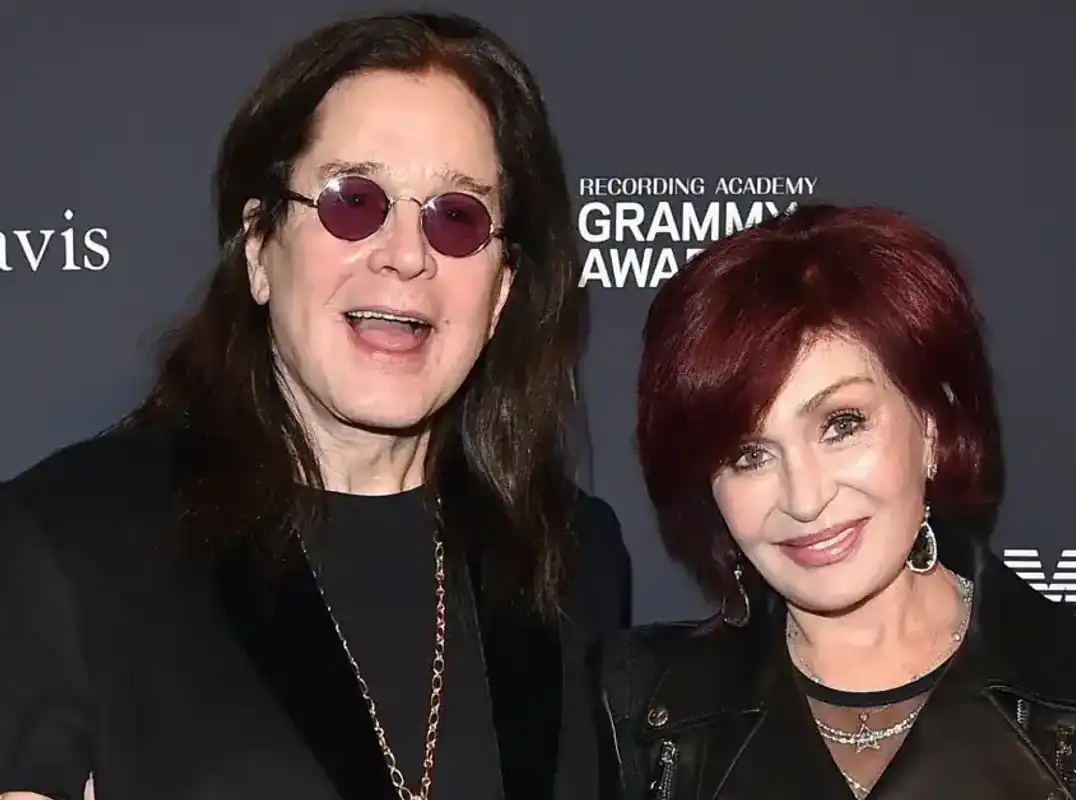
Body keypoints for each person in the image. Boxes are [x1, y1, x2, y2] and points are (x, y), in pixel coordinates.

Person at [0, 11, 630, 800]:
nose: (406, 255)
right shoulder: (67, 543)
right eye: (353, 201)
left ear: (501, 289)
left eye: (456, 217)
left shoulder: (574, 558)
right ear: (260, 247)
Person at [599, 204, 1076, 799]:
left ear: (933, 426)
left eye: (842, 424)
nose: (806, 499)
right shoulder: (644, 709)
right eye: (748, 455)